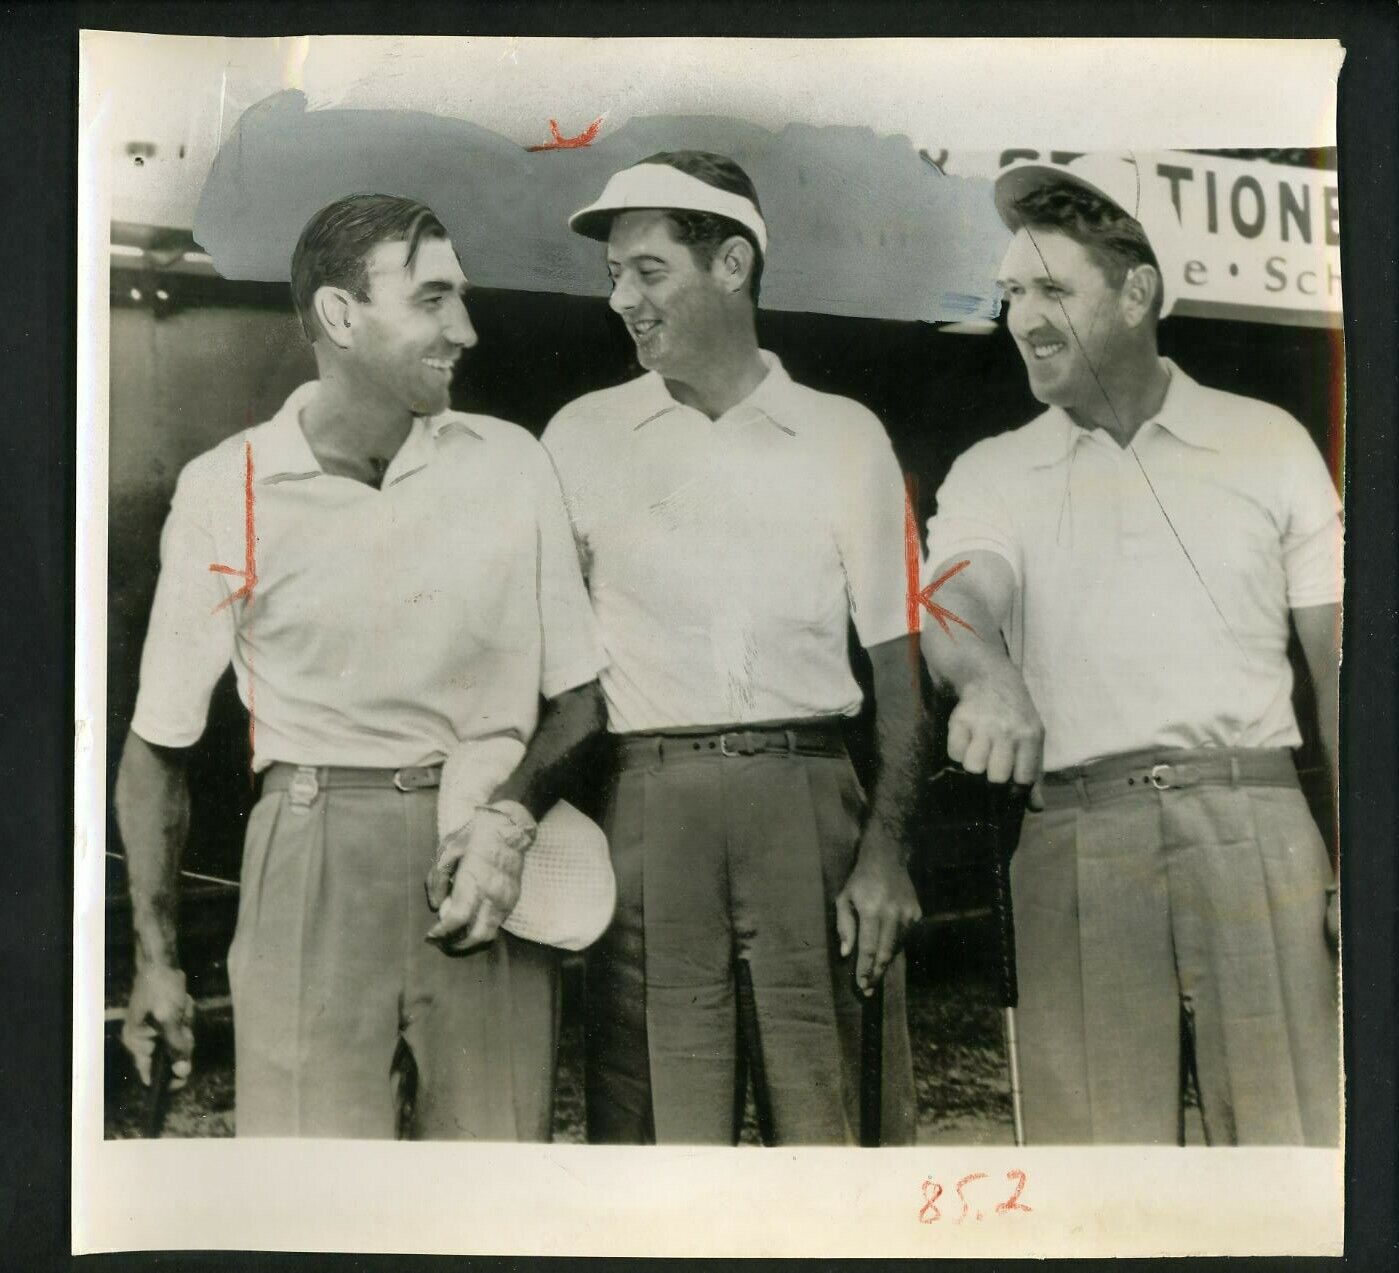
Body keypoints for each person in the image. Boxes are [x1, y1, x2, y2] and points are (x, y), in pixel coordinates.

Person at [115, 193, 608, 1139]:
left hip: (488, 855)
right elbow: (156, 748)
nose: (463, 328)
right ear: (340, 316)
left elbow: (580, 702)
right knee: (310, 1203)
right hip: (310, 853)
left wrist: (507, 823)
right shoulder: (230, 486)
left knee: (494, 1200)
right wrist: (155, 958)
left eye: (459, 298)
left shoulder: (511, 463)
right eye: (431, 299)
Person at [920, 153, 1341, 1145]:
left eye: (1052, 288)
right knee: (1094, 1191)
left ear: (1138, 289)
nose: (1021, 315)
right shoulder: (995, 467)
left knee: (1290, 1163)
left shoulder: (1268, 442)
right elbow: (951, 596)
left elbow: (1342, 670)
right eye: (1012, 290)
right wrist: (986, 679)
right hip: (1075, 837)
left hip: (1255, 829)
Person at [542, 151, 924, 1145]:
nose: (621, 297)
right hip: (646, 807)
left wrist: (884, 853)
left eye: (648, 270)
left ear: (733, 263)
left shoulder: (845, 436)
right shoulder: (578, 436)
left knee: (833, 1128)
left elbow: (899, 675)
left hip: (809, 809)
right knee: (660, 1145)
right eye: (612, 276)